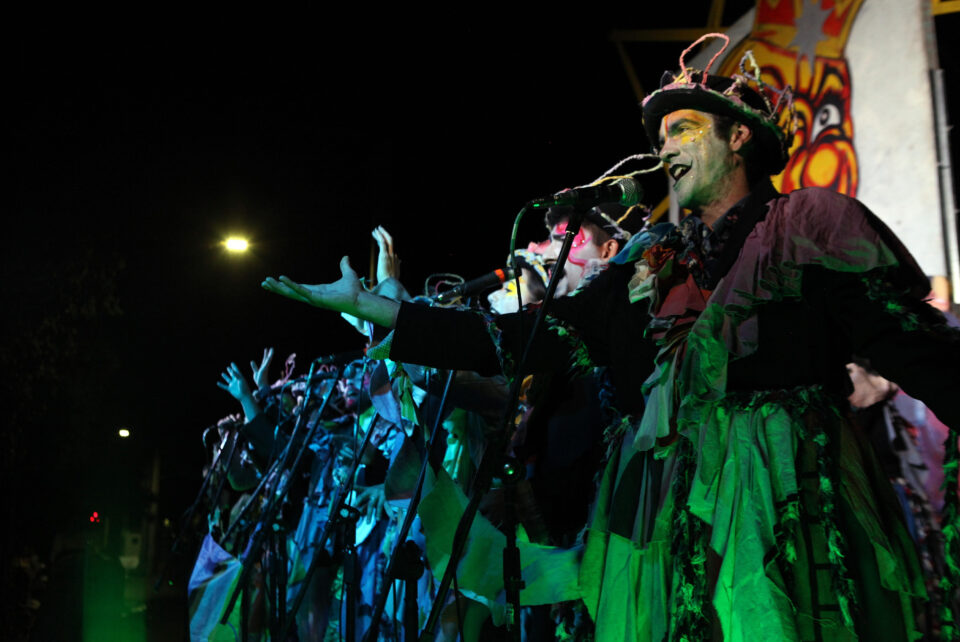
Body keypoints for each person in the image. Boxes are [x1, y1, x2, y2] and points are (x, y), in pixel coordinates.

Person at [263, 34, 960, 642]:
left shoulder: (808, 224)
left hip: (778, 503)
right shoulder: (650, 262)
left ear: (739, 136)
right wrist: (383, 310)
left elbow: (910, 344)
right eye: (661, 136)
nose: (664, 147)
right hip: (658, 525)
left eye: (683, 129)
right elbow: (529, 339)